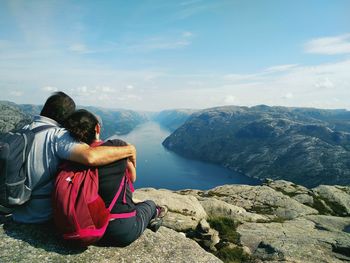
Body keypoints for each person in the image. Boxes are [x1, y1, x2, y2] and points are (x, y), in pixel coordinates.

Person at [12, 92, 137, 223]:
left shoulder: (23, 130)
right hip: (44, 214)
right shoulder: (58, 135)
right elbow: (91, 156)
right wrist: (129, 150)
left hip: (19, 211)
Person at [63, 109, 167, 247]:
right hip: (118, 230)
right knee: (150, 204)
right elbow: (132, 177)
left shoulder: (67, 156)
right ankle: (156, 212)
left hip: (81, 228)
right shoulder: (117, 147)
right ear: (97, 128)